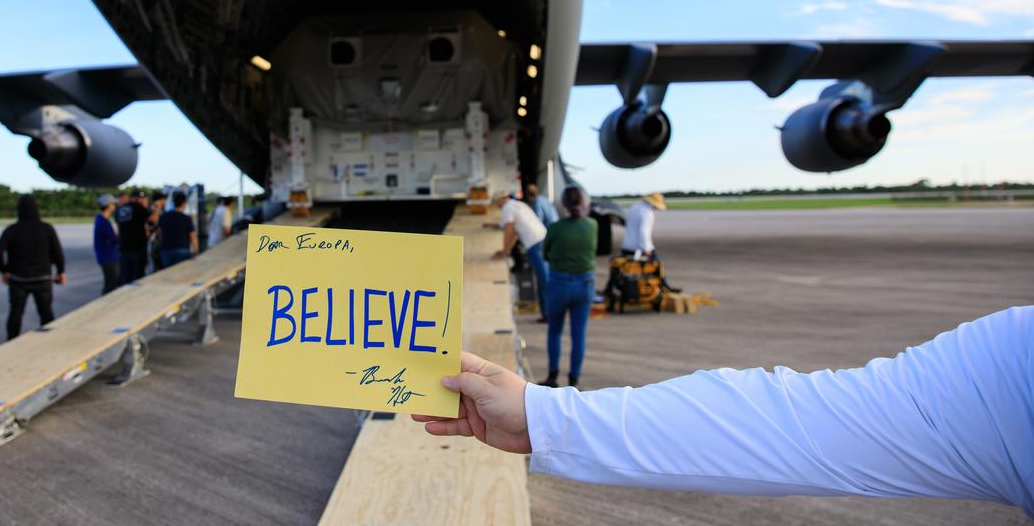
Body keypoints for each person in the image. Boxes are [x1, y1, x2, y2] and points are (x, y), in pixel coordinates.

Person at [414, 307, 1034, 518]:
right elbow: (791, 424)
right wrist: (543, 413)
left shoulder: (1014, 353)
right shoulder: (1015, 357)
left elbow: (794, 425)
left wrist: (547, 412)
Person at [539, 187, 598, 388]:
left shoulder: (556, 228)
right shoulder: (592, 225)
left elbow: (544, 253)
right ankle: (574, 380)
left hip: (559, 283)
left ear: (563, 204)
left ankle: (552, 377)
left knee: (554, 332)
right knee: (578, 335)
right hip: (585, 284)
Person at [0, 194, 66, 340]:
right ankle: (50, 341)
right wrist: (61, 271)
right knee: (46, 313)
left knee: (16, 313)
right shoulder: (46, 228)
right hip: (43, 278)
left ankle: (11, 342)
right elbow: (57, 251)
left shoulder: (11, 230)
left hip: (18, 280)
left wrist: (4, 270)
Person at [492, 191, 549, 321]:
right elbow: (515, 233)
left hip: (535, 245)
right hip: (543, 240)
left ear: (500, 200)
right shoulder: (518, 205)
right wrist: (506, 250)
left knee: (543, 280)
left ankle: (548, 315)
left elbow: (509, 231)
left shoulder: (507, 208)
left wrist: (503, 251)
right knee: (544, 278)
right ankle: (547, 313)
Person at [116, 189, 153, 285]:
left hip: (123, 249)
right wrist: (154, 209)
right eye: (142, 198)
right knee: (137, 280)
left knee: (125, 278)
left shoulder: (120, 209)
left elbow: (119, 227)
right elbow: (152, 219)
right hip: (137, 249)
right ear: (136, 199)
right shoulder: (139, 208)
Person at [158, 190, 198, 268]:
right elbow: (192, 236)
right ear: (184, 203)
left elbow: (160, 234)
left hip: (166, 250)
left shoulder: (164, 216)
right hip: (182, 251)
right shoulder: (186, 218)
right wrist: (196, 251)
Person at [622, 192, 665, 259]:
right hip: (639, 249)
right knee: (654, 265)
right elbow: (644, 231)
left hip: (627, 246)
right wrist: (646, 248)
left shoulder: (634, 207)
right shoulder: (647, 212)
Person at [93, 194, 119, 295]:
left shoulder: (100, 219)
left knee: (110, 283)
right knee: (111, 285)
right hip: (108, 258)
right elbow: (114, 239)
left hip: (106, 257)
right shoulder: (103, 222)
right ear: (108, 206)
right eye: (113, 204)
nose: (114, 206)